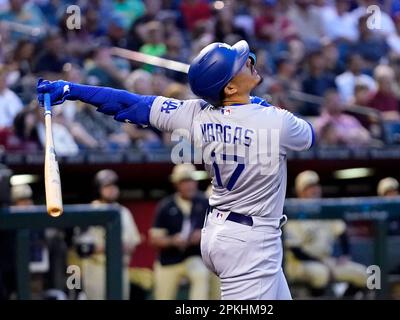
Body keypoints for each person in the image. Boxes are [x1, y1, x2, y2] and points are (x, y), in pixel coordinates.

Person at [36, 39, 315, 300]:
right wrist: (260, 103)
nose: (250, 61)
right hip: (250, 241)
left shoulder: (194, 113)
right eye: (243, 63)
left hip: (222, 231)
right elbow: (308, 136)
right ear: (229, 88)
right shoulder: (275, 121)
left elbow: (129, 105)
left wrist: (73, 90)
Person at [284, 170, 367, 298]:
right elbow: (295, 250)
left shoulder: (325, 209)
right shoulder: (294, 211)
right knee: (320, 274)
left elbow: (342, 232)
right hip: (298, 263)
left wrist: (346, 254)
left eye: (316, 186)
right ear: (301, 191)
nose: (314, 190)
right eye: (309, 187)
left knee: (364, 274)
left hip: (325, 261)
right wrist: (321, 262)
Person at [74, 169, 141, 299]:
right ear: (98, 189)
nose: (112, 189)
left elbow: (132, 243)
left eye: (114, 185)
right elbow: (82, 248)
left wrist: (108, 247)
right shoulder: (88, 212)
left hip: (120, 268)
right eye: (107, 186)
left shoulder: (124, 212)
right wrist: (113, 247)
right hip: (96, 269)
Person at [150, 163, 210, 300]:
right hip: (169, 260)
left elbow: (220, 229)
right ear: (177, 184)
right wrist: (172, 240)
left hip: (193, 256)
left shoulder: (204, 202)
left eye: (191, 181)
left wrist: (203, 234)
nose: (189, 185)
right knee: (163, 296)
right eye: (184, 181)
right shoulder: (166, 206)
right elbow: (154, 239)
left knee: (201, 273)